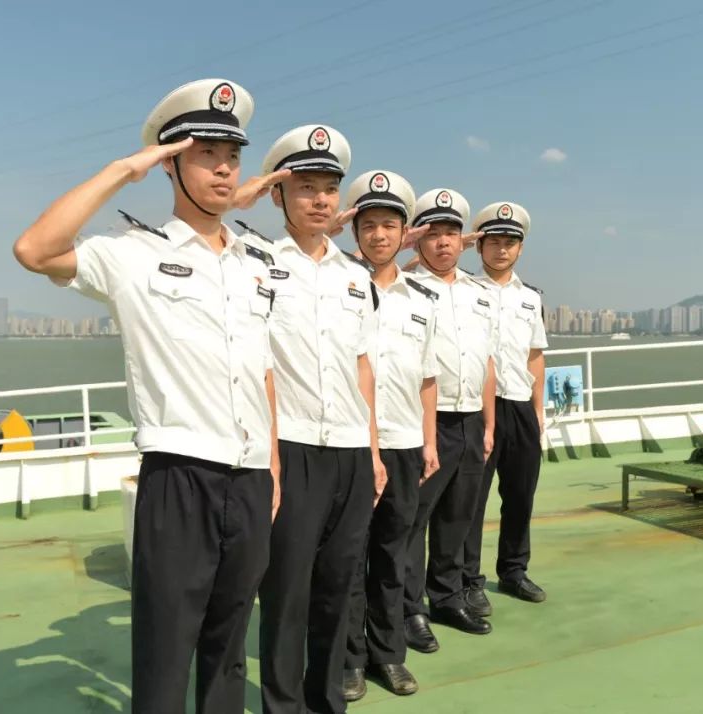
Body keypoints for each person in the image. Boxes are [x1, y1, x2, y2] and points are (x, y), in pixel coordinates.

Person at [12, 78, 287, 714]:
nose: (223, 168)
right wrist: (123, 169)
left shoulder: (254, 261)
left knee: (228, 647)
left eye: (232, 155)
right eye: (205, 154)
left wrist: (272, 464)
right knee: (166, 652)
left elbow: (261, 367)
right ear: (170, 163)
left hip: (251, 479)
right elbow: (34, 249)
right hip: (180, 476)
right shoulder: (133, 255)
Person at [255, 125, 387, 714]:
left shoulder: (355, 276)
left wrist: (375, 453)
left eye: (329, 188)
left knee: (339, 585)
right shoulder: (256, 265)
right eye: (305, 187)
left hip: (352, 452)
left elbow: (363, 368)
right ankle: (283, 705)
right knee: (286, 591)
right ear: (278, 194)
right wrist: (270, 460)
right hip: (292, 447)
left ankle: (328, 700)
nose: (320, 200)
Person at [339, 171, 440, 701]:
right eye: (368, 225)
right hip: (352, 444)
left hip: (403, 443)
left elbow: (428, 379)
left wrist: (429, 442)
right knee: (348, 555)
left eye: (388, 225)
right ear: (354, 231)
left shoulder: (421, 298)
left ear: (405, 234)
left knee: (392, 555)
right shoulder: (337, 284)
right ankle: (349, 659)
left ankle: (388, 654)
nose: (378, 235)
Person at [401, 188, 497, 654]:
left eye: (451, 233)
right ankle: (408, 610)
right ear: (417, 239)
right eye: (433, 233)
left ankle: (446, 597)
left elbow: (488, 362)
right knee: (414, 520)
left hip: (471, 419)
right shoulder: (402, 287)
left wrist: (490, 425)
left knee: (459, 515)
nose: (442, 242)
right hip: (428, 420)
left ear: (464, 240)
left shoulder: (480, 294)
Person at [463, 201, 549, 611]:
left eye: (510, 242)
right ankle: (468, 578)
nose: (501, 249)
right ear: (478, 246)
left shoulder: (531, 298)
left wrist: (539, 411)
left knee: (520, 496)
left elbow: (535, 356)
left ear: (520, 248)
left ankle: (514, 571)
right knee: (471, 499)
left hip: (519, 406)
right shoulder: (463, 291)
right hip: (477, 408)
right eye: (493, 241)